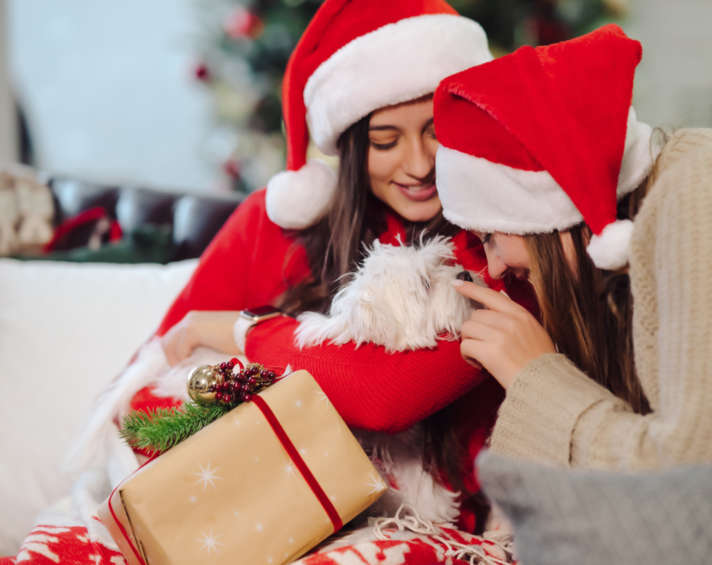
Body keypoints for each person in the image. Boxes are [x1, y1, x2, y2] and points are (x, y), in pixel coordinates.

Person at [125, 0, 509, 531]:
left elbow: (385, 397)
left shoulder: (501, 243)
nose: (419, 165)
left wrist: (241, 331)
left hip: (435, 536)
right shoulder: (273, 224)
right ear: (351, 145)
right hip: (257, 521)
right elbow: (145, 395)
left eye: (436, 131)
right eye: (385, 141)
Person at [433, 24, 712, 469]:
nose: (493, 268)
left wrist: (534, 377)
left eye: (492, 236)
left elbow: (700, 474)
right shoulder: (664, 207)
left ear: (545, 206)